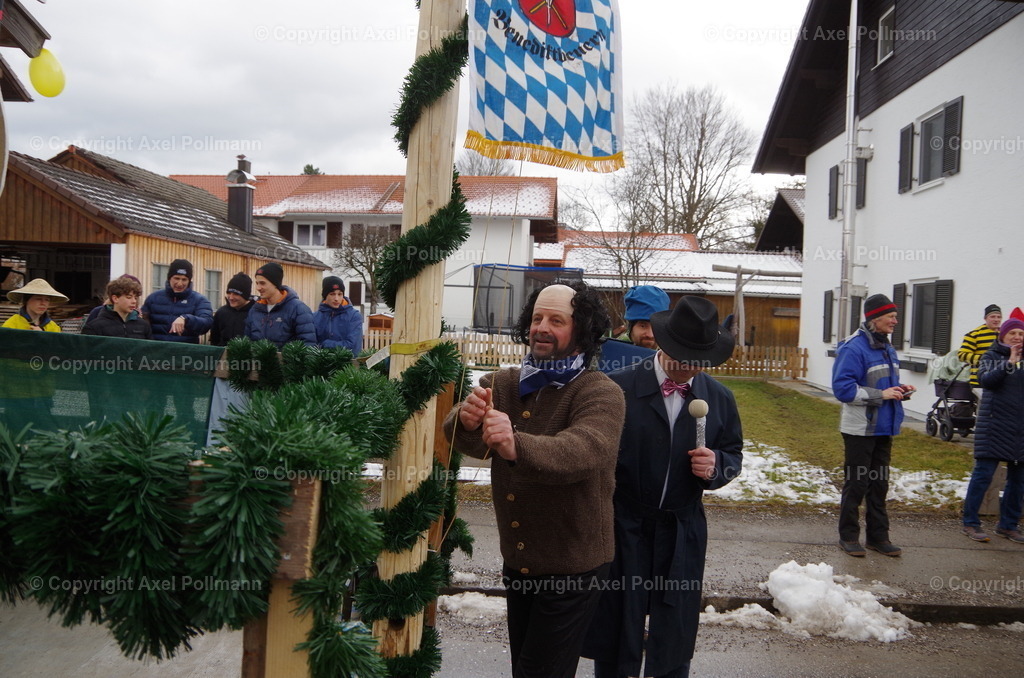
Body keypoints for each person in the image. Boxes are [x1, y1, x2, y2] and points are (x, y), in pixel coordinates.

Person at [443, 282, 625, 678]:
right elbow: (462, 435)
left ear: (583, 330)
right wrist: (466, 418)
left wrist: (514, 444)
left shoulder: (601, 392)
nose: (542, 327)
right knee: (525, 667)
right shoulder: (505, 382)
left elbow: (582, 452)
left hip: (573, 567)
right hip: (521, 562)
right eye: (537, 317)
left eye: (556, 320)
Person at [583, 296, 743, 678]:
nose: (688, 368)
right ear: (662, 343)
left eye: (697, 360)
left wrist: (717, 466)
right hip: (624, 527)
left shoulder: (719, 398)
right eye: (681, 356)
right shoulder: (616, 389)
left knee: (674, 633)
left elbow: (732, 452)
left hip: (681, 530)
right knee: (619, 628)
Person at [832, 293, 915, 558]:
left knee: (879, 485)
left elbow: (883, 386)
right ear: (875, 318)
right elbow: (843, 390)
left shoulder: (886, 346)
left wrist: (901, 390)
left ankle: (878, 538)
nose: (895, 321)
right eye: (891, 316)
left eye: (895, 316)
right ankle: (849, 537)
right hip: (860, 429)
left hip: (883, 427)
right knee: (857, 484)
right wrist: (882, 395)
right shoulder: (853, 347)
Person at [961, 309, 1024, 544]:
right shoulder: (991, 356)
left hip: (1020, 429)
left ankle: (1008, 525)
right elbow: (986, 381)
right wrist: (1009, 362)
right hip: (995, 426)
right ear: (1003, 336)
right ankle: (970, 523)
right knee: (983, 476)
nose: (1017, 337)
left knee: (1018, 481)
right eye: (1013, 333)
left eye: (1021, 333)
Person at [244, 262, 316, 348]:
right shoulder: (255, 310)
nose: (258, 288)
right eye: (257, 283)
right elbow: (247, 343)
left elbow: (308, 345)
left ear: (275, 284)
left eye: (262, 283)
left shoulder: (298, 309)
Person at [141, 259, 213, 343]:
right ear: (169, 278)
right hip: (157, 352)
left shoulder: (200, 300)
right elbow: (142, 324)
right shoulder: (153, 298)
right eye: (176, 278)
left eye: (184, 279)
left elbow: (207, 323)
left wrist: (186, 319)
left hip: (185, 353)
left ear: (189, 281)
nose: (179, 283)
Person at [81, 276, 152, 339]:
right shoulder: (94, 327)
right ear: (115, 298)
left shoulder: (143, 326)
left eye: (136, 298)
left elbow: (150, 351)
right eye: (129, 297)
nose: (134, 301)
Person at [313, 276, 363, 353]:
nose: (336, 298)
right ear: (325, 295)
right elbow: (311, 344)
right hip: (321, 363)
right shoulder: (315, 317)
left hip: (348, 363)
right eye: (332, 294)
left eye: (339, 294)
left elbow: (351, 345)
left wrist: (326, 344)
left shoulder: (354, 316)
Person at [958, 304, 1002, 389]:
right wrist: (984, 359)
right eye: (992, 316)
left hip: (1001, 380)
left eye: (999, 317)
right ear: (985, 318)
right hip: (979, 380)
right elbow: (962, 355)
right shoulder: (974, 334)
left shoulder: (1004, 334)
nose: (996, 320)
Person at [2, 279, 68, 331]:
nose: (43, 303)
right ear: (27, 300)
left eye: (47, 300)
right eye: (38, 299)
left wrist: (43, 336)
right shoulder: (12, 325)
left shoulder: (53, 327)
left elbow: (56, 346)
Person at [211, 272, 254, 346]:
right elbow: (214, 339)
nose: (231, 297)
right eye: (229, 293)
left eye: (236, 294)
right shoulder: (221, 313)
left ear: (245, 295)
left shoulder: (255, 313)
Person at [620, 285, 670, 349]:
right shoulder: (612, 354)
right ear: (630, 327)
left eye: (656, 326)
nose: (650, 335)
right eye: (643, 326)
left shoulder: (671, 356)